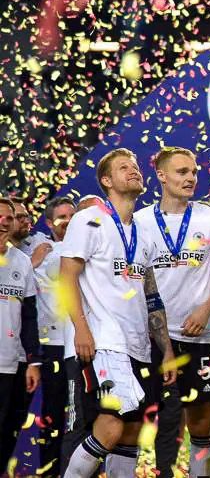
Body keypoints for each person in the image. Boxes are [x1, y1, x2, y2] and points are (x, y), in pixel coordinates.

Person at [61, 148, 178, 477]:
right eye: (124, 167)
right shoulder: (89, 219)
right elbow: (67, 276)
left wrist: (166, 349)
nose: (134, 171)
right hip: (104, 342)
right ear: (107, 180)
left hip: (137, 346)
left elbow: (151, 295)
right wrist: (82, 329)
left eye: (136, 166)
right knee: (111, 426)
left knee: (131, 431)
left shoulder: (144, 232)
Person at [134, 146, 210, 478]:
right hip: (149, 337)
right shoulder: (139, 221)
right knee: (136, 418)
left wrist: (205, 311)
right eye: (182, 172)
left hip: (198, 335)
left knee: (201, 421)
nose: (191, 178)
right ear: (161, 176)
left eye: (193, 172)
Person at [55, 194, 104, 476]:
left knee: (107, 426)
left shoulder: (110, 246)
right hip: (80, 349)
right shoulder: (68, 252)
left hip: (111, 350)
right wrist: (82, 330)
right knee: (78, 424)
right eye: (89, 216)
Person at [31, 196, 77, 473]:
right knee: (53, 414)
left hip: (83, 343)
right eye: (62, 217)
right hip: (53, 347)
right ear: (49, 223)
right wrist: (32, 262)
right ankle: (49, 471)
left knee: (81, 416)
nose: (68, 222)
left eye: (72, 215)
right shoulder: (40, 249)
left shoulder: (90, 248)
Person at [0, 197, 42, 470]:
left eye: (9, 217)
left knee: (7, 429)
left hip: (11, 363)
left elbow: (29, 316)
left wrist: (33, 361)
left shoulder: (22, 262)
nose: (4, 222)